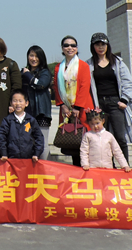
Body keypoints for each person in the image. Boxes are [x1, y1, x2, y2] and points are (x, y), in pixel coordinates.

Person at [86, 32, 132, 164]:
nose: (100, 47)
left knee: (120, 137)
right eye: (97, 44)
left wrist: (124, 100)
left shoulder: (117, 62)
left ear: (107, 45)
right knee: (102, 137)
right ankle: (110, 166)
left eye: (103, 44)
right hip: (99, 105)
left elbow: (128, 82)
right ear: (93, 47)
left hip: (115, 103)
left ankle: (124, 165)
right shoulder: (89, 64)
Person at [54, 35, 97, 167]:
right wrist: (62, 106)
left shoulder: (83, 66)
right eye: (66, 45)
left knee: (85, 139)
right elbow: (56, 87)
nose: (70, 48)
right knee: (72, 140)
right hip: (66, 110)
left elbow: (85, 86)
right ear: (62, 48)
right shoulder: (58, 68)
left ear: (77, 48)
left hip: (82, 108)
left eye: (73, 45)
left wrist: (77, 107)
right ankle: (76, 169)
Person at [21, 45, 52, 160]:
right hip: (27, 114)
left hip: (41, 113)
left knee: (42, 142)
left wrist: (28, 75)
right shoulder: (23, 72)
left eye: (37, 56)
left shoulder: (45, 72)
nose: (34, 59)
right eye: (31, 55)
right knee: (27, 141)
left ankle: (44, 166)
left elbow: (40, 85)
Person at [0, 89, 44, 164]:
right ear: (11, 103)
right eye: (15, 101)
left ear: (26, 103)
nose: (18, 103)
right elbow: (1, 136)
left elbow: (39, 137)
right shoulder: (8, 120)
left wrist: (36, 154)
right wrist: (4, 153)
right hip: (11, 159)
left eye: (20, 101)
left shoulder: (31, 120)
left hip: (28, 159)